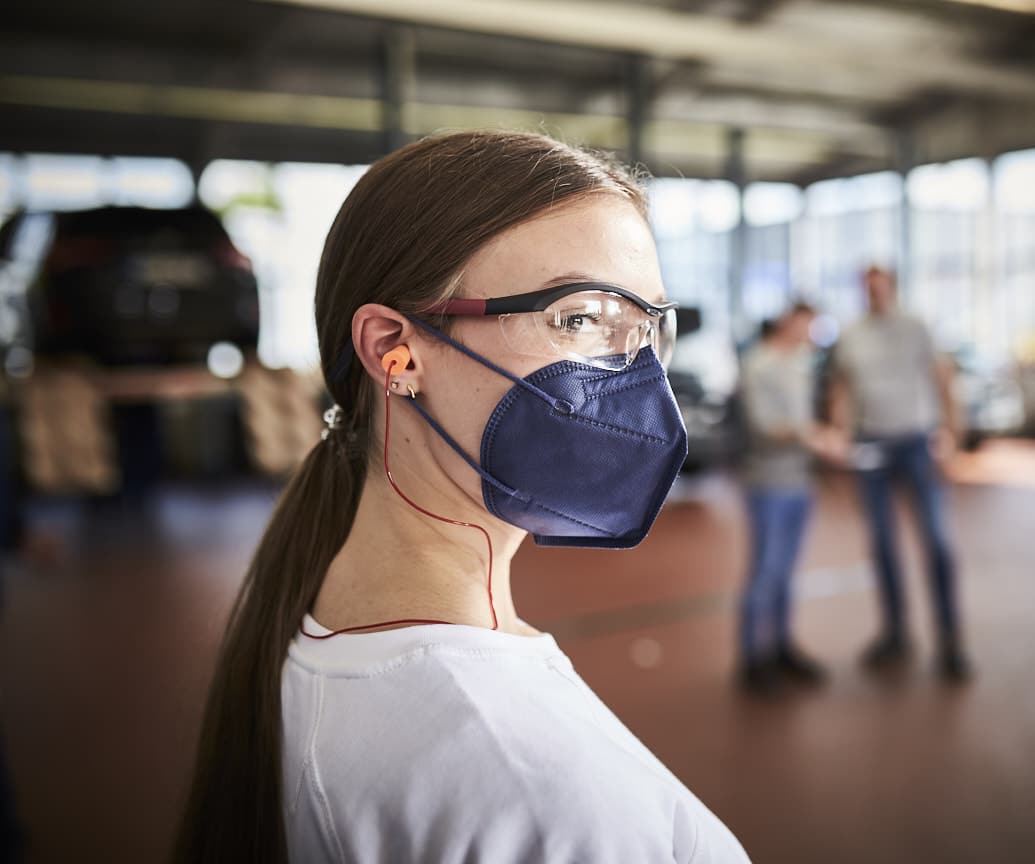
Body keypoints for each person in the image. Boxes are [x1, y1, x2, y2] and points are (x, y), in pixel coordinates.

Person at [175, 132, 750, 863]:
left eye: (645, 326)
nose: (635, 377)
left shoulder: (318, 626)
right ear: (394, 350)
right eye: (578, 317)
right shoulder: (543, 796)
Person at [828, 266, 971, 681]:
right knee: (882, 543)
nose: (874, 294)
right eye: (867, 288)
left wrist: (952, 437)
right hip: (872, 444)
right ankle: (895, 633)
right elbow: (842, 389)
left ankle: (950, 641)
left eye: (880, 287)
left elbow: (943, 381)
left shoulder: (917, 327)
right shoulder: (852, 334)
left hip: (917, 443)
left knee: (937, 542)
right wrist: (841, 437)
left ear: (892, 288)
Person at [736, 303, 837, 692]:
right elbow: (762, 426)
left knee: (787, 571)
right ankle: (752, 658)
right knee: (765, 569)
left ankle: (780, 646)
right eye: (806, 326)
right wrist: (808, 436)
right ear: (787, 323)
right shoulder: (758, 364)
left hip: (800, 480)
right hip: (769, 483)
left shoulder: (801, 363)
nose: (811, 334)